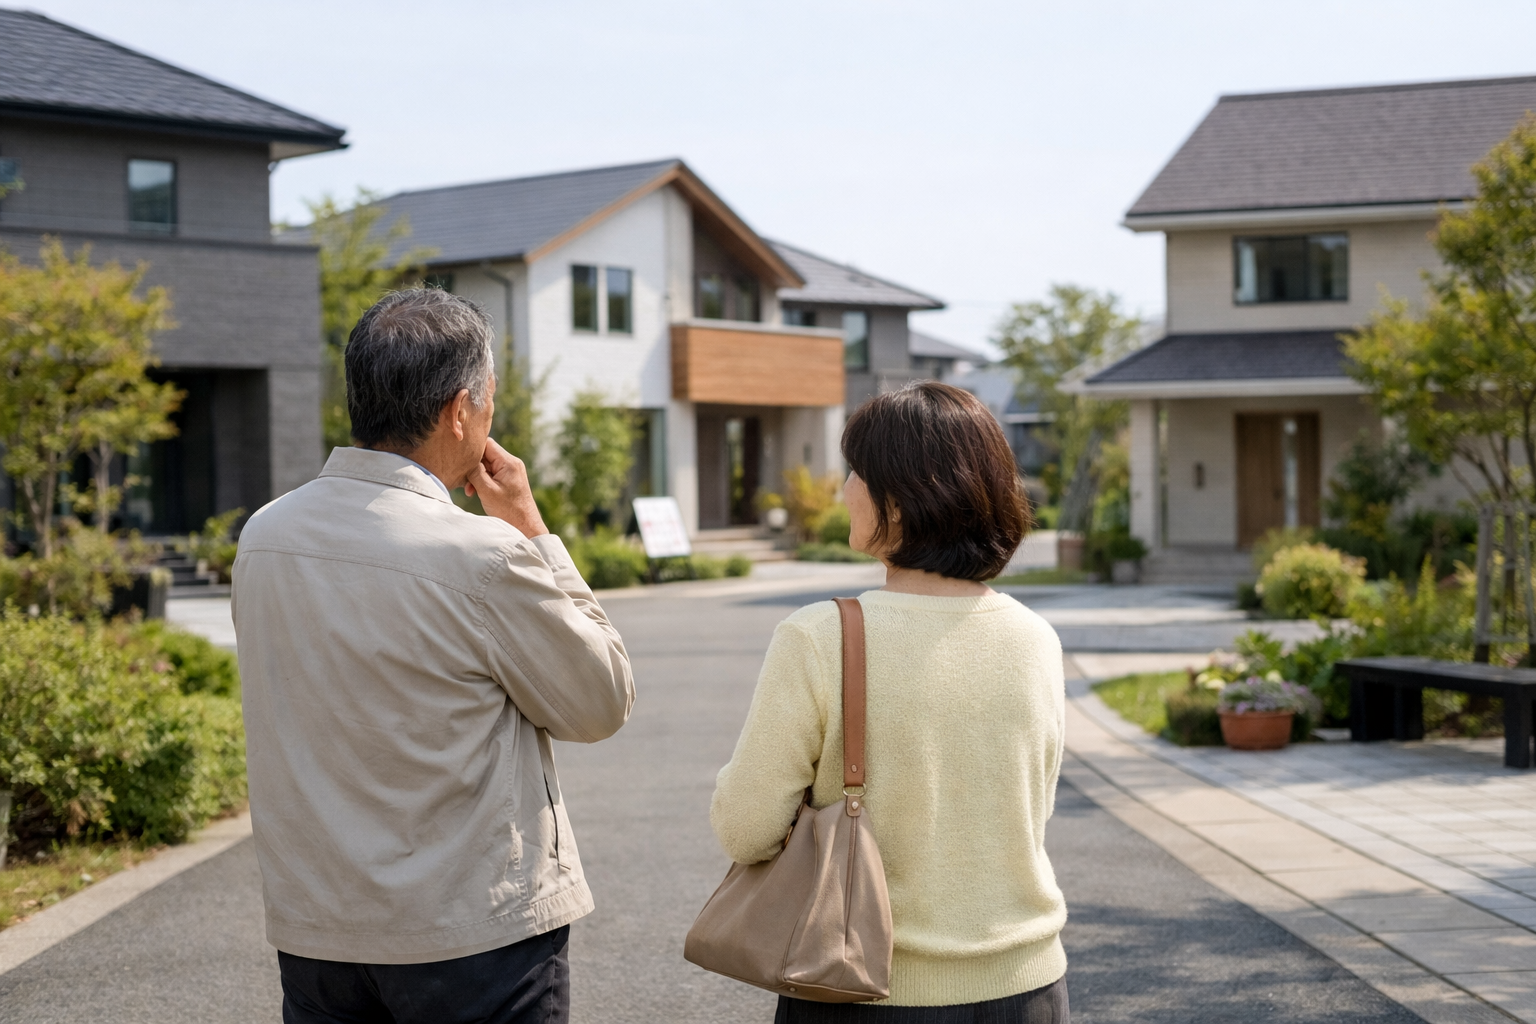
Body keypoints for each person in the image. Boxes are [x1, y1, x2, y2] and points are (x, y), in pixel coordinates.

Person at [233, 289, 634, 1024]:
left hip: (319, 929)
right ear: (459, 411)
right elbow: (600, 698)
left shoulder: (264, 535)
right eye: (487, 405)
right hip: (470, 931)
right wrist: (531, 529)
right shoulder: (481, 553)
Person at [710, 381, 1069, 1023]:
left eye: (855, 471)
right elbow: (1028, 810)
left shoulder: (820, 636)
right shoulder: (1034, 637)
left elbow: (746, 828)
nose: (844, 488)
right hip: (1028, 985)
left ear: (898, 502)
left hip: (864, 984)